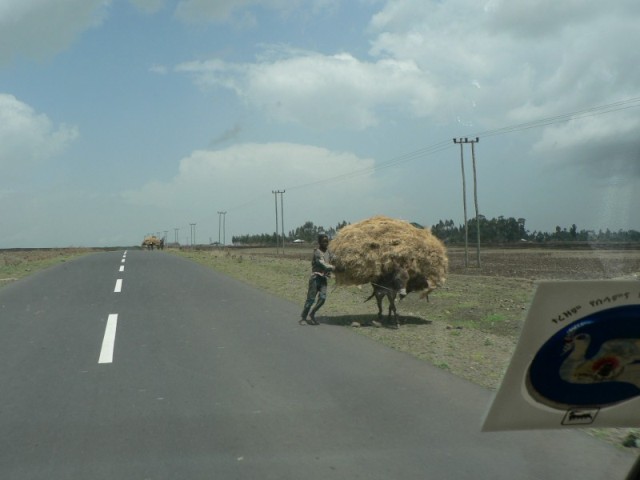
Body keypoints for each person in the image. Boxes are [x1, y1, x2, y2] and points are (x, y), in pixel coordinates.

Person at [300, 233, 335, 325]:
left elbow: (335, 259)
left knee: (322, 298)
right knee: (311, 299)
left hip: (323, 279)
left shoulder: (329, 252)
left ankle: (312, 314)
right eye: (323, 241)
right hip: (315, 279)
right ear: (319, 242)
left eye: (327, 241)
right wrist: (334, 268)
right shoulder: (317, 252)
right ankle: (303, 317)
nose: (325, 243)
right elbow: (323, 264)